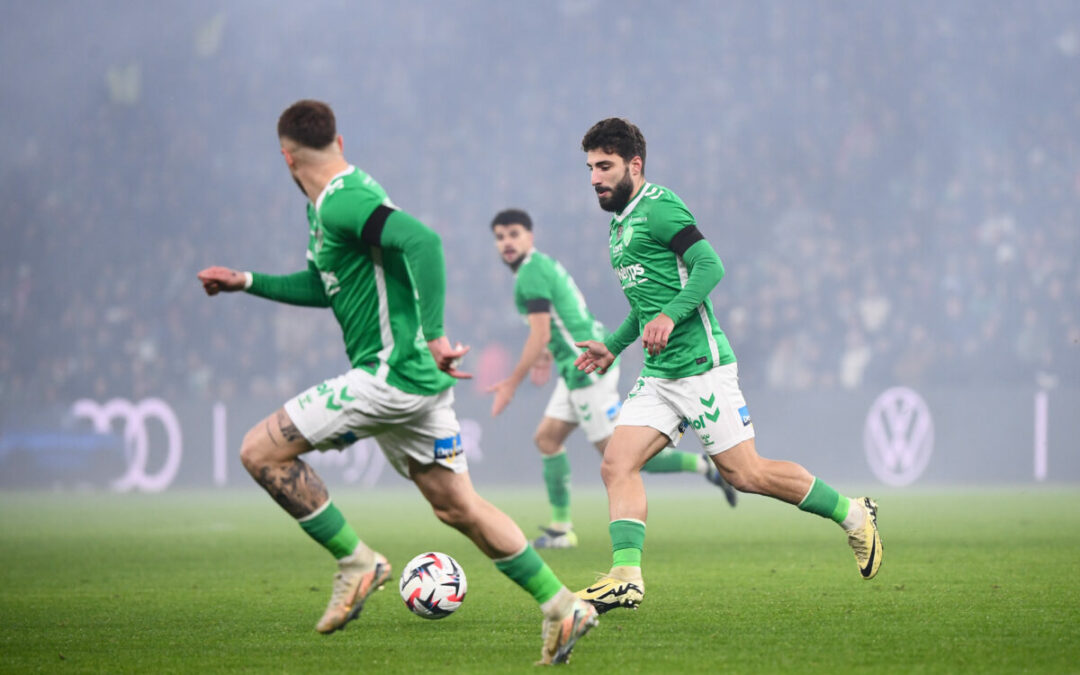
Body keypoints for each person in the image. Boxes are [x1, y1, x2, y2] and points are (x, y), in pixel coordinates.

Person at [197, 100, 595, 665]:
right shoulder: (332, 205)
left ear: (286, 157)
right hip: (416, 383)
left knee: (260, 452)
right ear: (340, 141)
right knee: (458, 506)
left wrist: (433, 332)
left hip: (389, 375)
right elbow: (323, 286)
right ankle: (562, 605)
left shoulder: (344, 201)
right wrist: (247, 281)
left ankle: (358, 562)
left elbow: (424, 242)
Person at [571, 118, 883, 614]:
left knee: (746, 473)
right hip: (659, 374)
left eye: (604, 166)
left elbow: (710, 265)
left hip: (701, 367)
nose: (594, 178)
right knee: (616, 463)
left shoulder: (660, 209)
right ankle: (625, 576)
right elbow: (644, 303)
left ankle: (853, 515)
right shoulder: (618, 225)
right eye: (589, 168)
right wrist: (613, 345)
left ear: (635, 165)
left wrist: (672, 318)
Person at [487, 208, 737, 549]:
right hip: (575, 365)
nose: (507, 243)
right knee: (547, 438)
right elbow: (559, 321)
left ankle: (701, 464)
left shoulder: (531, 273)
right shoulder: (537, 268)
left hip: (588, 368)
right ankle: (561, 530)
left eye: (514, 234)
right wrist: (547, 356)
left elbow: (540, 331)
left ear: (530, 236)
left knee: (621, 459)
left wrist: (511, 382)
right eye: (500, 238)